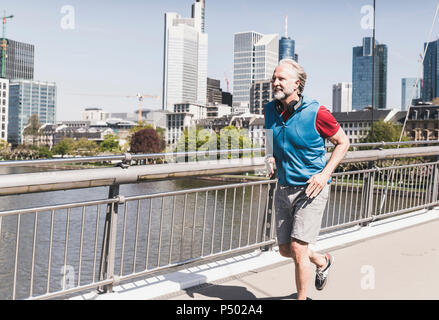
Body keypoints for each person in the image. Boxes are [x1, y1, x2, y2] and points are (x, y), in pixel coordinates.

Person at [264, 59, 349, 300]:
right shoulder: (270, 109)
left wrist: (324, 175)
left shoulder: (317, 111)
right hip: (283, 186)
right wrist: (269, 157)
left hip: (311, 188)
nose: (275, 82)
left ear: (297, 84)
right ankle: (322, 261)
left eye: (281, 78)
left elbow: (343, 142)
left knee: (299, 250)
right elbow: (269, 137)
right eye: (274, 78)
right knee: (284, 249)